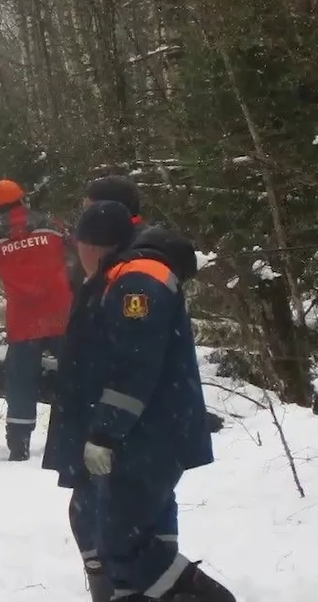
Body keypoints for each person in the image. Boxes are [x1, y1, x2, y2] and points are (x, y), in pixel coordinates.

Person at [43, 202, 235, 602]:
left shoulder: (136, 281)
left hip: (146, 435)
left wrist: (105, 432)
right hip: (146, 432)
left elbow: (135, 365)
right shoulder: (120, 275)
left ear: (91, 245)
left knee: (123, 543)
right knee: (131, 534)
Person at [0, 179, 74, 461]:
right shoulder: (51, 227)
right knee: (73, 375)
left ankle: (19, 444)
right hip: (61, 313)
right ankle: (74, 433)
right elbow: (72, 254)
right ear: (23, 200)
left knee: (21, 381)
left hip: (23, 319)